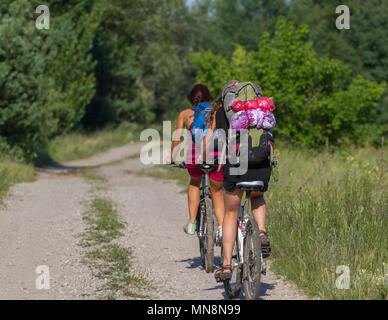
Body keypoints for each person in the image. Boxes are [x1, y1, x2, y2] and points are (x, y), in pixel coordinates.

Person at [207, 81, 272, 281]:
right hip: (261, 166)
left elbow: (215, 142)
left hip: (235, 167)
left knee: (231, 213)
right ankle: (261, 232)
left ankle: (226, 266)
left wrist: (212, 158)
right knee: (257, 197)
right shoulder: (262, 111)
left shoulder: (221, 114)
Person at [167, 84, 225, 242]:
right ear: (208, 97)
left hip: (194, 156)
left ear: (190, 98)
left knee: (194, 183)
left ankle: (192, 223)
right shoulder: (215, 111)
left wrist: (172, 156)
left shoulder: (185, 114)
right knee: (217, 191)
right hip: (215, 155)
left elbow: (177, 139)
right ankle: (221, 228)